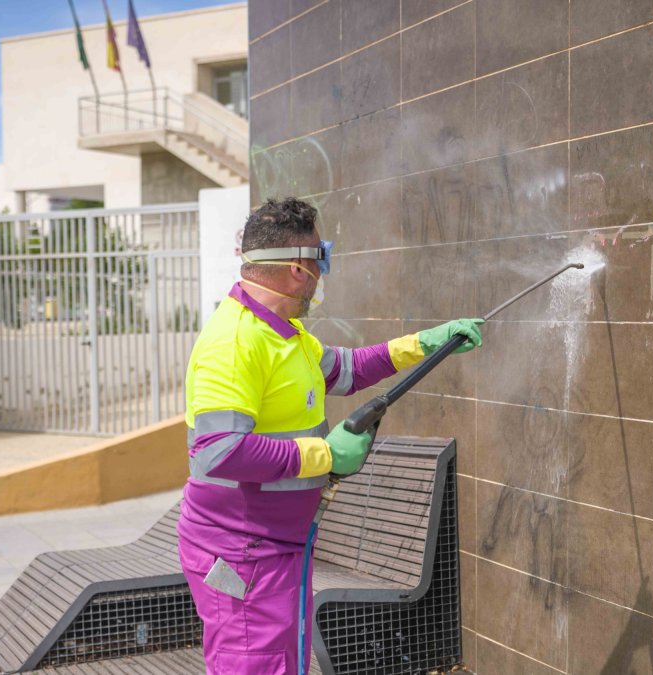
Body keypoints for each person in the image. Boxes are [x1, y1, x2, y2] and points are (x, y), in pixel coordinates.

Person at [176, 197, 482, 674]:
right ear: (299, 268)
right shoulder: (234, 343)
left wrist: (423, 344)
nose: (322, 272)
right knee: (256, 665)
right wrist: (325, 455)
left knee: (286, 663)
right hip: (242, 552)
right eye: (322, 257)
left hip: (276, 548)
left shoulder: (286, 335)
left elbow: (348, 369)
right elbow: (219, 451)